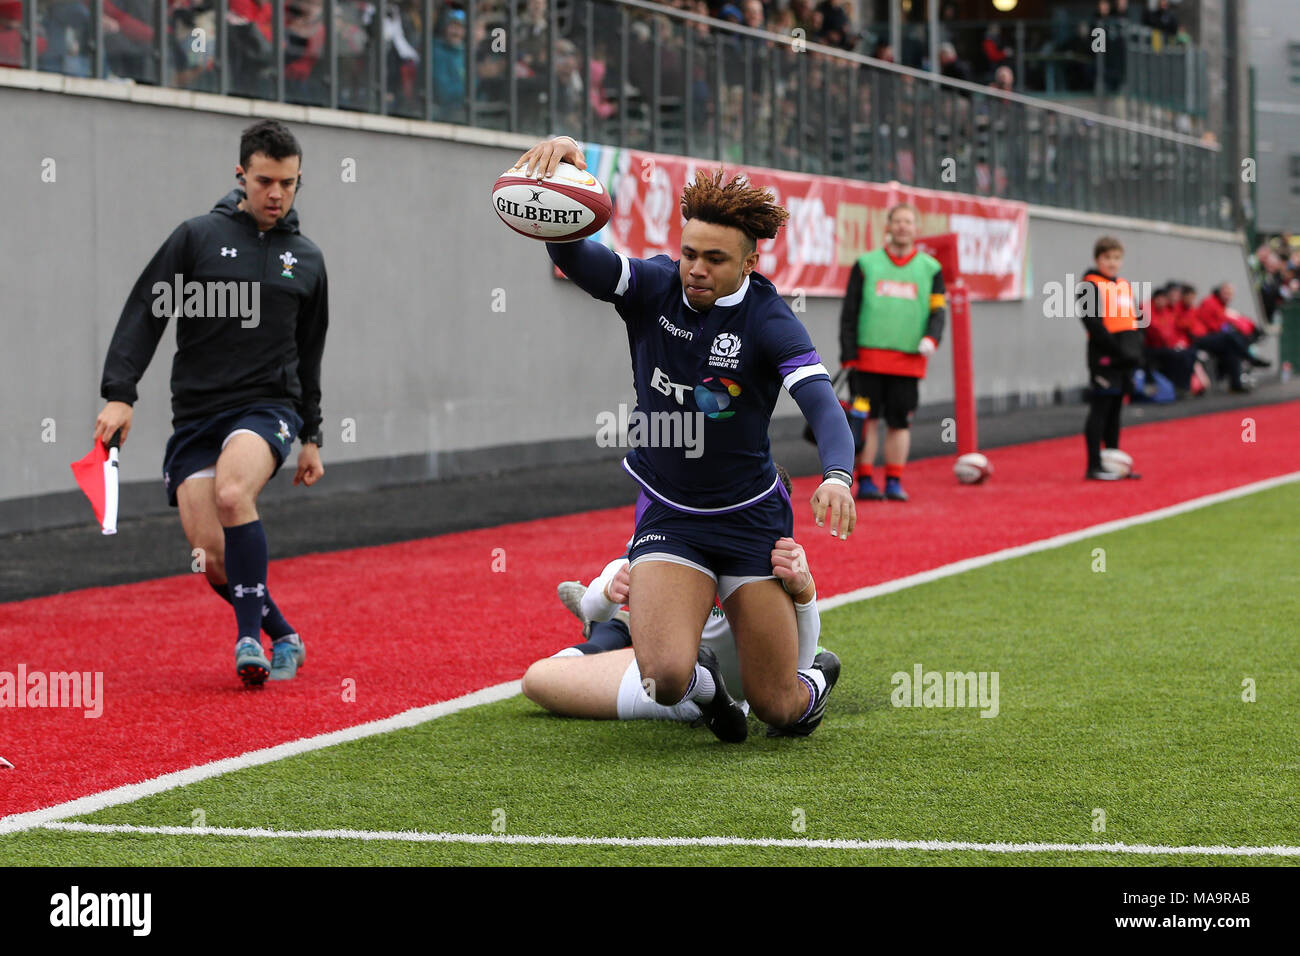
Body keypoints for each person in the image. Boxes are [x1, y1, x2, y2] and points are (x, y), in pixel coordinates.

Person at [514, 135, 856, 743]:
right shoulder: (652, 287)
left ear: (749, 263)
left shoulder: (769, 319)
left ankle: (818, 679)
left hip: (750, 519)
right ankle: (708, 692)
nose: (696, 268)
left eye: (716, 259)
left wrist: (837, 475)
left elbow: (823, 404)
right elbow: (578, 260)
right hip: (671, 513)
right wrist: (560, 190)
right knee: (666, 678)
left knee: (780, 708)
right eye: (689, 252)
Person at [95, 120, 328, 686]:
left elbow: (310, 351)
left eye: (290, 183)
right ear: (241, 174)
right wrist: (120, 394)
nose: (277, 194)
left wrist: (312, 435)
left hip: (267, 409)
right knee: (211, 554)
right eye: (266, 180)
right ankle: (284, 634)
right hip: (196, 417)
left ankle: (248, 638)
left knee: (232, 492)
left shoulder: (308, 259)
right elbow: (146, 314)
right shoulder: (196, 238)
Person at [838, 203, 946, 502]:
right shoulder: (865, 264)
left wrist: (932, 339)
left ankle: (895, 480)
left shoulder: (931, 269)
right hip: (867, 361)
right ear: (887, 227)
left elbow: (939, 312)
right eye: (897, 221)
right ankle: (866, 481)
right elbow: (850, 313)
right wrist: (848, 355)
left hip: (908, 363)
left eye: (908, 222)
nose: (902, 226)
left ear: (916, 229)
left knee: (900, 422)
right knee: (865, 420)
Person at [1077, 236, 1140, 480]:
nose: (1112, 263)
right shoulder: (1088, 285)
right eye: (1107, 258)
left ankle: (1112, 461)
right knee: (1100, 409)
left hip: (1124, 359)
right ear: (1097, 259)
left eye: (1116, 258)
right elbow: (1091, 323)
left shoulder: (1123, 285)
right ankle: (1093, 465)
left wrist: (1135, 353)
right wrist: (1115, 349)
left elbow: (1133, 320)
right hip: (1104, 356)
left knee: (1115, 411)